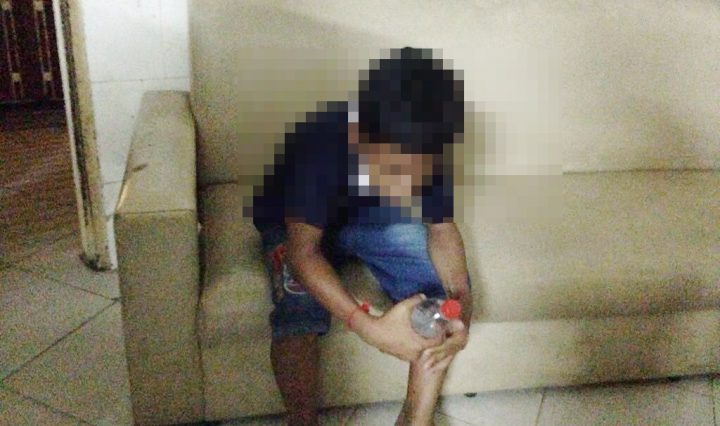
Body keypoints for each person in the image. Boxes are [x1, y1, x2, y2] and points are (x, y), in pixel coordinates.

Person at [251, 47, 473, 426]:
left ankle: (415, 420)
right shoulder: (318, 144)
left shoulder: (429, 141)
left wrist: (461, 309)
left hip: (373, 219)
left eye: (418, 174)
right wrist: (371, 329)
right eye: (396, 169)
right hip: (297, 228)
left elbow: (441, 229)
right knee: (298, 309)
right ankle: (302, 421)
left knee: (437, 305)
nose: (408, 185)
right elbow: (304, 254)